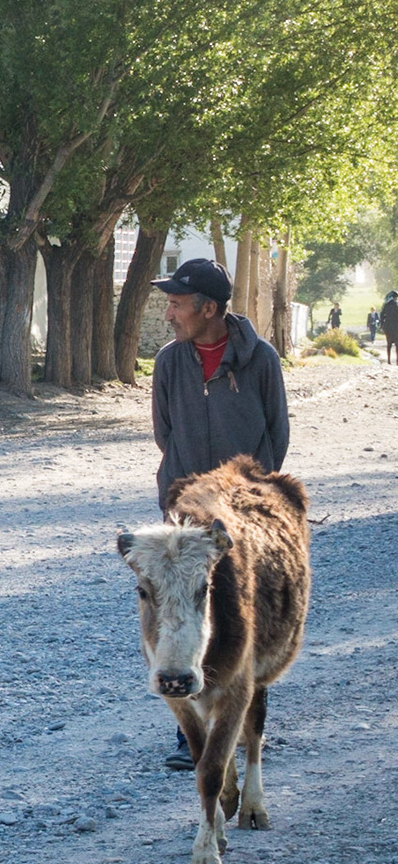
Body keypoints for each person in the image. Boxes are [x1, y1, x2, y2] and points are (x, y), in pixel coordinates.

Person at [149, 257, 288, 769]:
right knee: (182, 618)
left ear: (208, 309)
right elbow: (165, 433)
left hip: (242, 518)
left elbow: (276, 435)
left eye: (177, 304)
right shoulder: (169, 362)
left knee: (240, 618)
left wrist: (248, 499)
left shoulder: (261, 359)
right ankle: (191, 733)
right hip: (185, 515)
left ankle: (245, 722)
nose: (169, 314)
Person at [379, 291, 398, 364]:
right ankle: (397, 361)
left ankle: (389, 360)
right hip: (396, 326)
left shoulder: (386, 305)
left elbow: (382, 315)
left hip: (388, 327)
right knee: (397, 344)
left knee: (389, 344)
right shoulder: (397, 305)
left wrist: (382, 325)